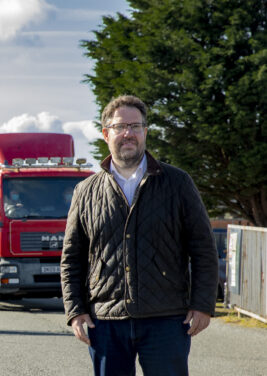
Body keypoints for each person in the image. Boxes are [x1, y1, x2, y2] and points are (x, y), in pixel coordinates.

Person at [60, 95, 218, 376]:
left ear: (145, 131)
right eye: (120, 127)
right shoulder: (85, 192)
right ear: (106, 133)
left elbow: (203, 248)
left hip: (167, 318)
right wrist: (75, 310)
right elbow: (72, 258)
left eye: (135, 126)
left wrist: (203, 304)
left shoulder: (177, 183)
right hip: (105, 320)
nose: (128, 134)